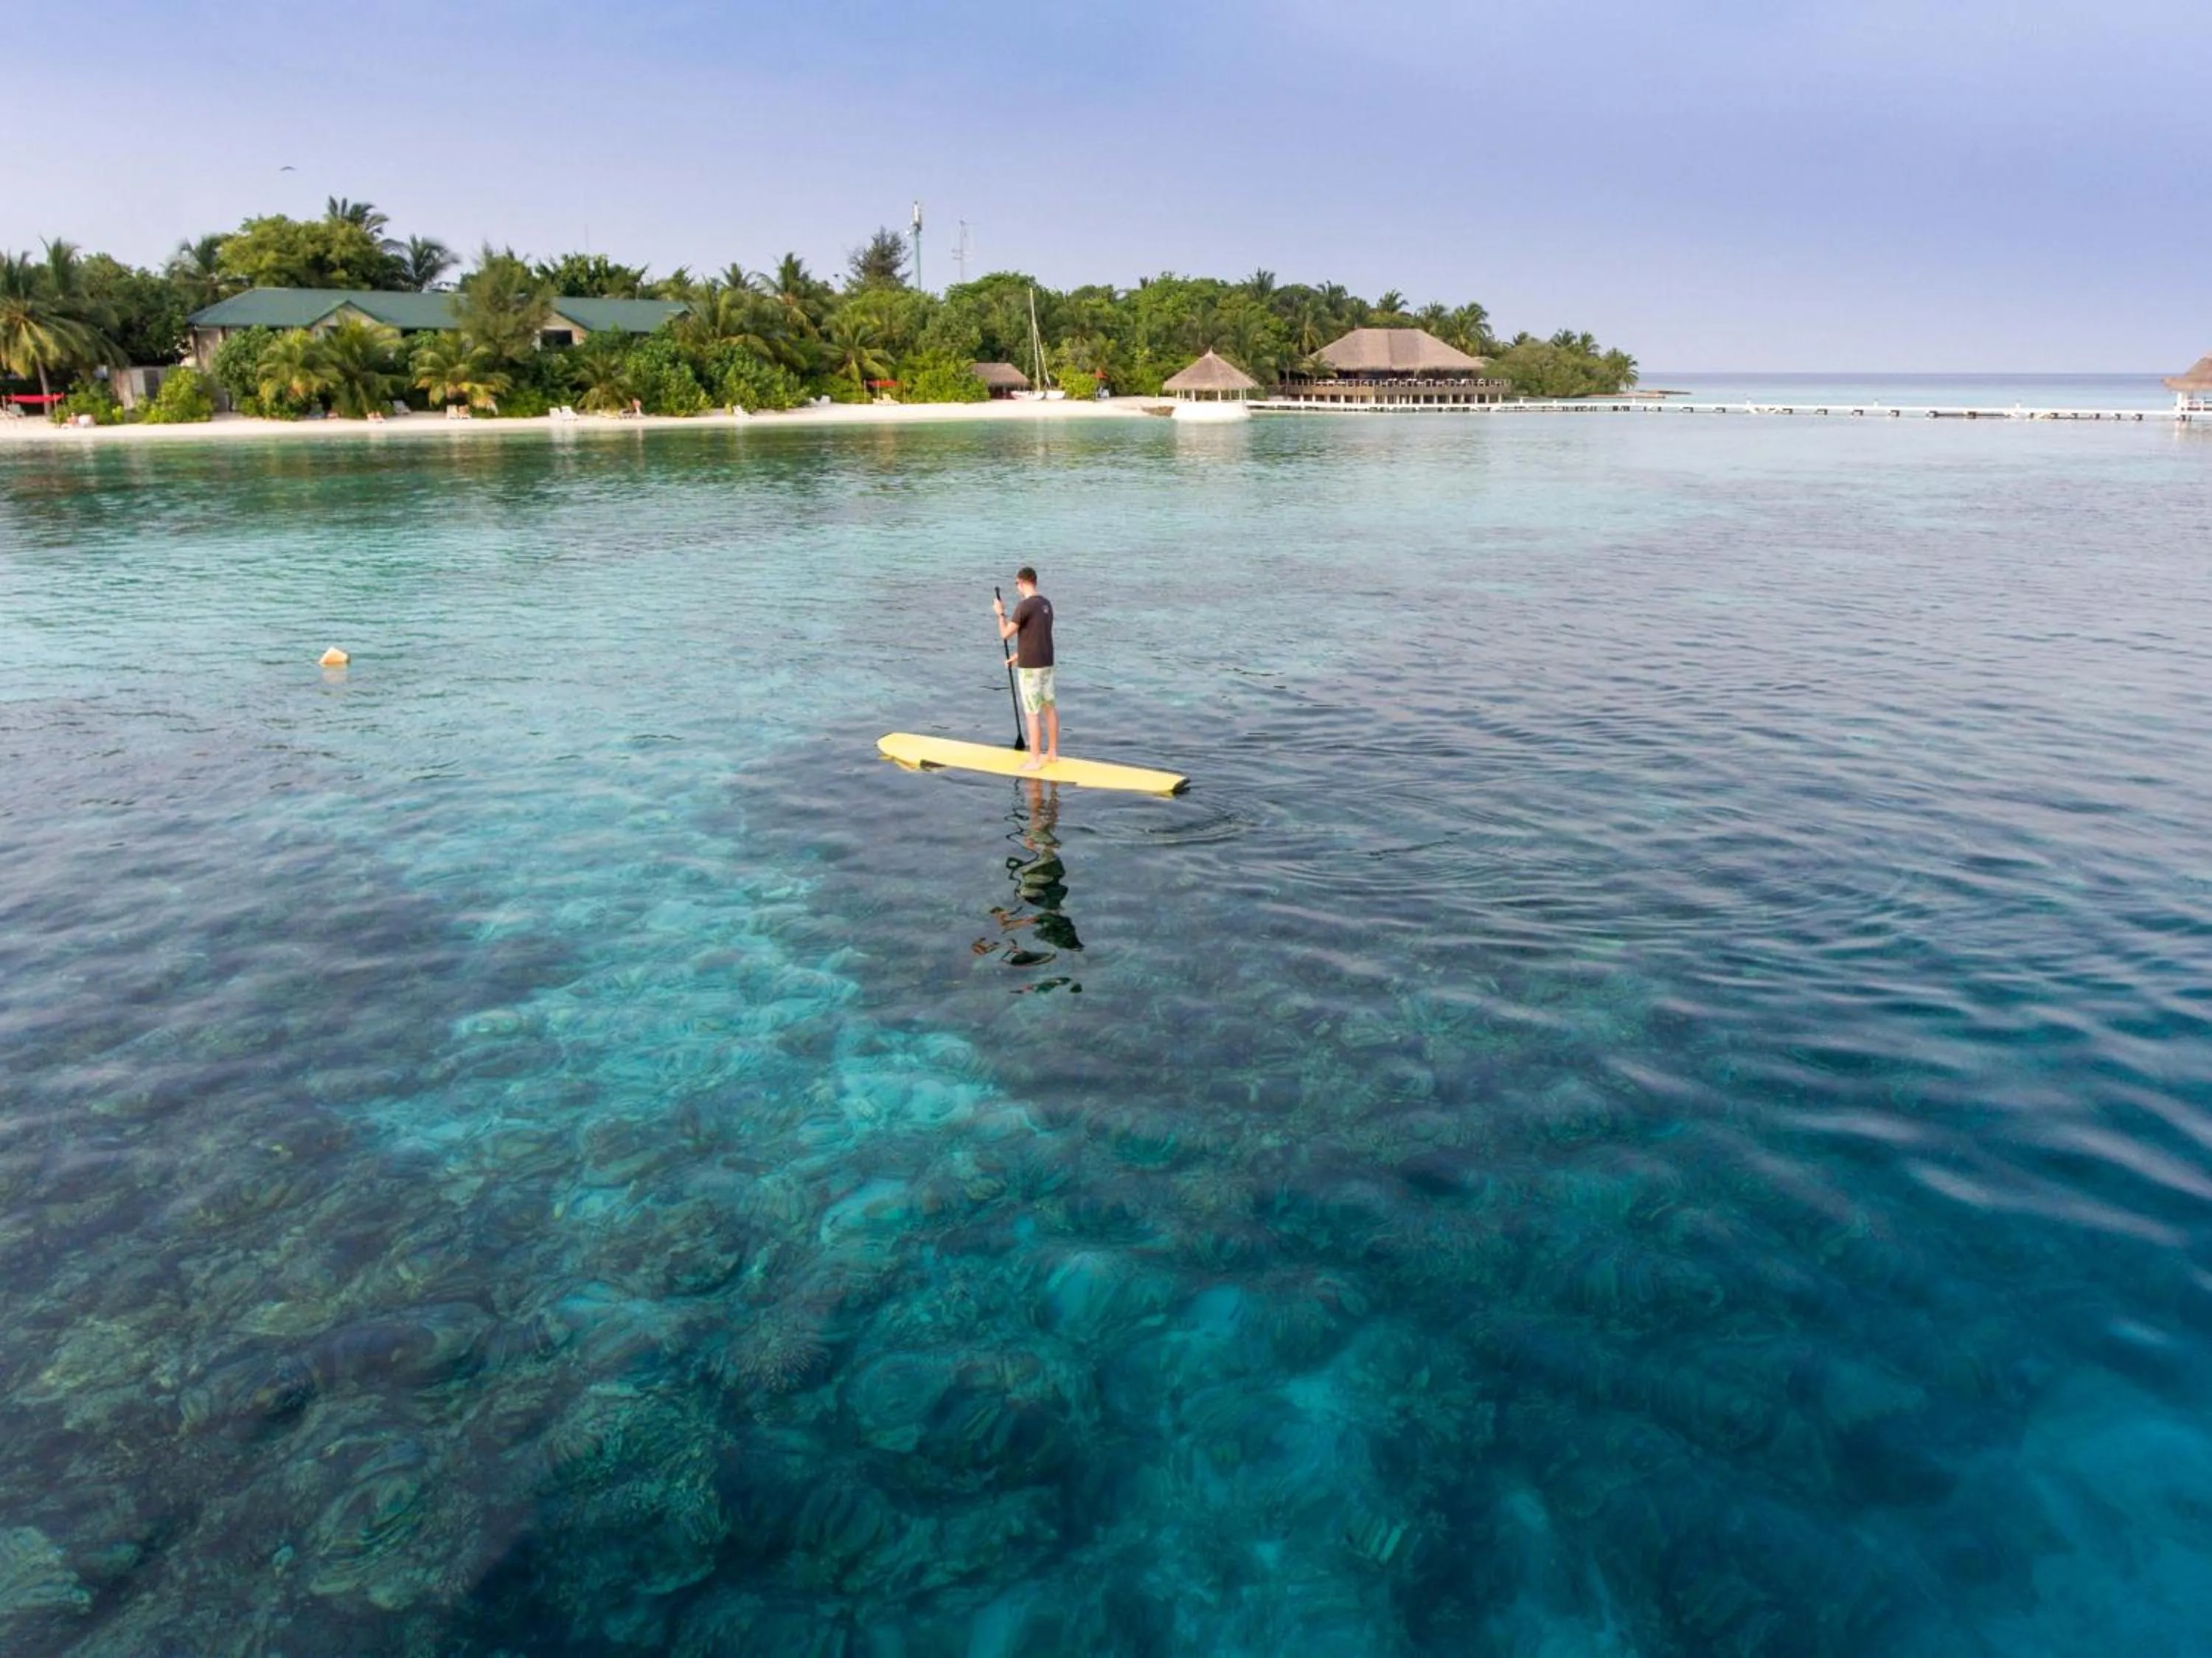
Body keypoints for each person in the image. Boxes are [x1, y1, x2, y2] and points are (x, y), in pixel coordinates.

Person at [993, 566, 1057, 771]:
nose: (1016, 588)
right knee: (1049, 708)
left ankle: (1035, 760)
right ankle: (1053, 753)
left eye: (1016, 584)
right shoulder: (1046, 604)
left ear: (1022, 582)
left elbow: (1005, 634)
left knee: (1032, 713)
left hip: (1030, 669)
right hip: (1047, 664)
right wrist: (1017, 656)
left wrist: (1000, 613)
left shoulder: (1024, 606)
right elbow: (1038, 637)